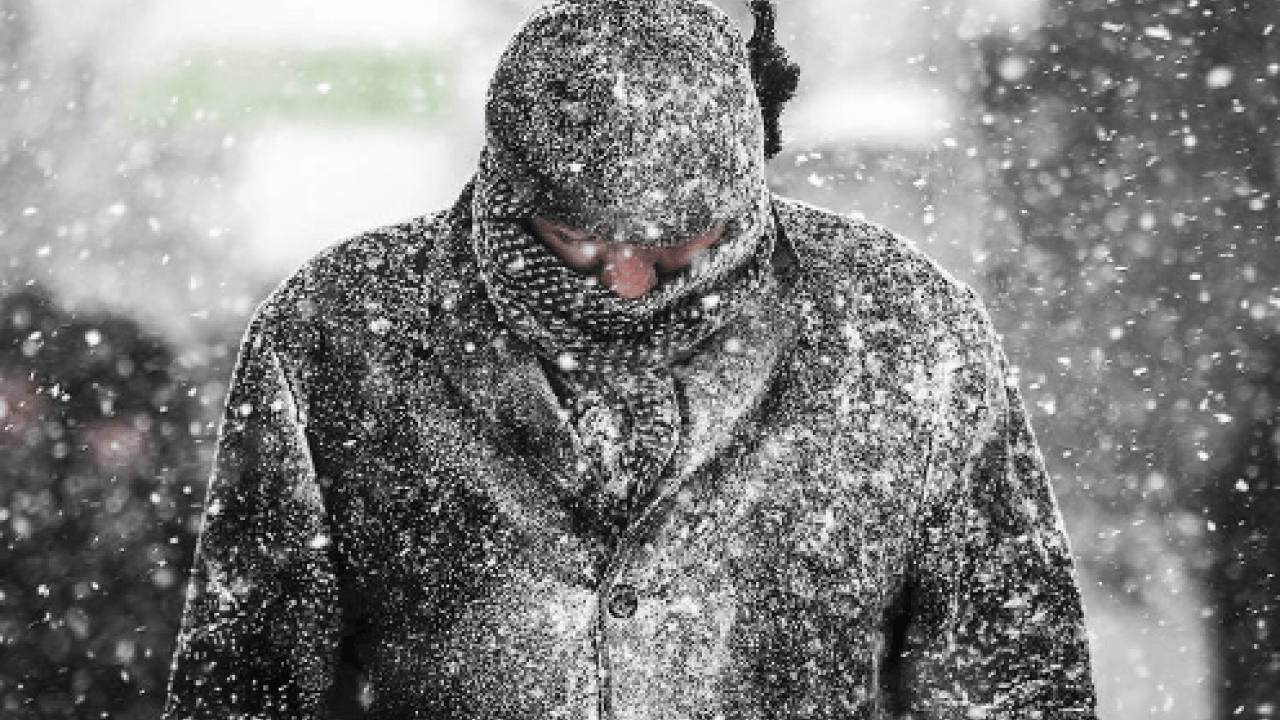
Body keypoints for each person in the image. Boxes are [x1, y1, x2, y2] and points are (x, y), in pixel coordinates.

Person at [165, 0, 1098, 717]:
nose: (625, 284)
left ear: (746, 189)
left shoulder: (905, 332)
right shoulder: (338, 331)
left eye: (677, 246)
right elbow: (247, 675)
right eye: (574, 237)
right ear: (506, 181)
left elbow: (1007, 667)